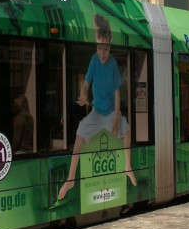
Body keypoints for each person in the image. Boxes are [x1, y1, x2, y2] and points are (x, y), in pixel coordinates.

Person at [57, 14, 136, 201]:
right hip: (96, 111)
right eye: (99, 48)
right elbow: (85, 84)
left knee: (126, 130)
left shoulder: (113, 65)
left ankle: (127, 166)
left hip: (110, 112)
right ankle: (70, 179)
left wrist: (116, 118)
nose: (102, 53)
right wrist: (84, 96)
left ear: (110, 45)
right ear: (96, 46)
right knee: (79, 135)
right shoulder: (94, 60)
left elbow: (118, 96)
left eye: (106, 48)